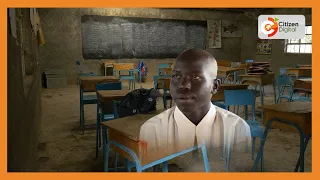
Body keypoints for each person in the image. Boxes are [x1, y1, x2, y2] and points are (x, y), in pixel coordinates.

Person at [139, 48, 252, 172]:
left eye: (196, 77)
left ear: (215, 86)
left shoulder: (236, 128)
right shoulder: (152, 130)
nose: (183, 85)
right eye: (177, 76)